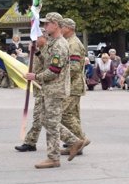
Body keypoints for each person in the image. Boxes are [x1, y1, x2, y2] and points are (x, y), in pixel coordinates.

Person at [23, 12, 85, 169]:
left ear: (55, 25)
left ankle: (54, 157)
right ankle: (73, 141)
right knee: (46, 120)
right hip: (50, 89)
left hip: (55, 90)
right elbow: (48, 64)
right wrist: (37, 52)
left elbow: (53, 71)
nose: (44, 27)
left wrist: (34, 76)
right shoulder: (55, 42)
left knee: (50, 122)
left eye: (47, 24)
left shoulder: (59, 45)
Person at [58, 18, 90, 156]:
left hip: (73, 85)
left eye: (62, 26)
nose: (60, 28)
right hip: (72, 85)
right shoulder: (68, 42)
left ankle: (81, 139)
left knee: (64, 114)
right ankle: (75, 145)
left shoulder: (74, 44)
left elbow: (74, 67)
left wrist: (57, 76)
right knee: (73, 116)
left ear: (69, 28)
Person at [15, 29, 49, 152]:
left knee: (40, 117)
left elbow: (49, 65)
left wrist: (37, 52)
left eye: (36, 38)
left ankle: (74, 140)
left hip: (45, 87)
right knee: (40, 117)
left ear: (44, 37)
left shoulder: (48, 48)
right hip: (38, 86)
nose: (33, 41)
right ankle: (31, 142)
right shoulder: (35, 49)